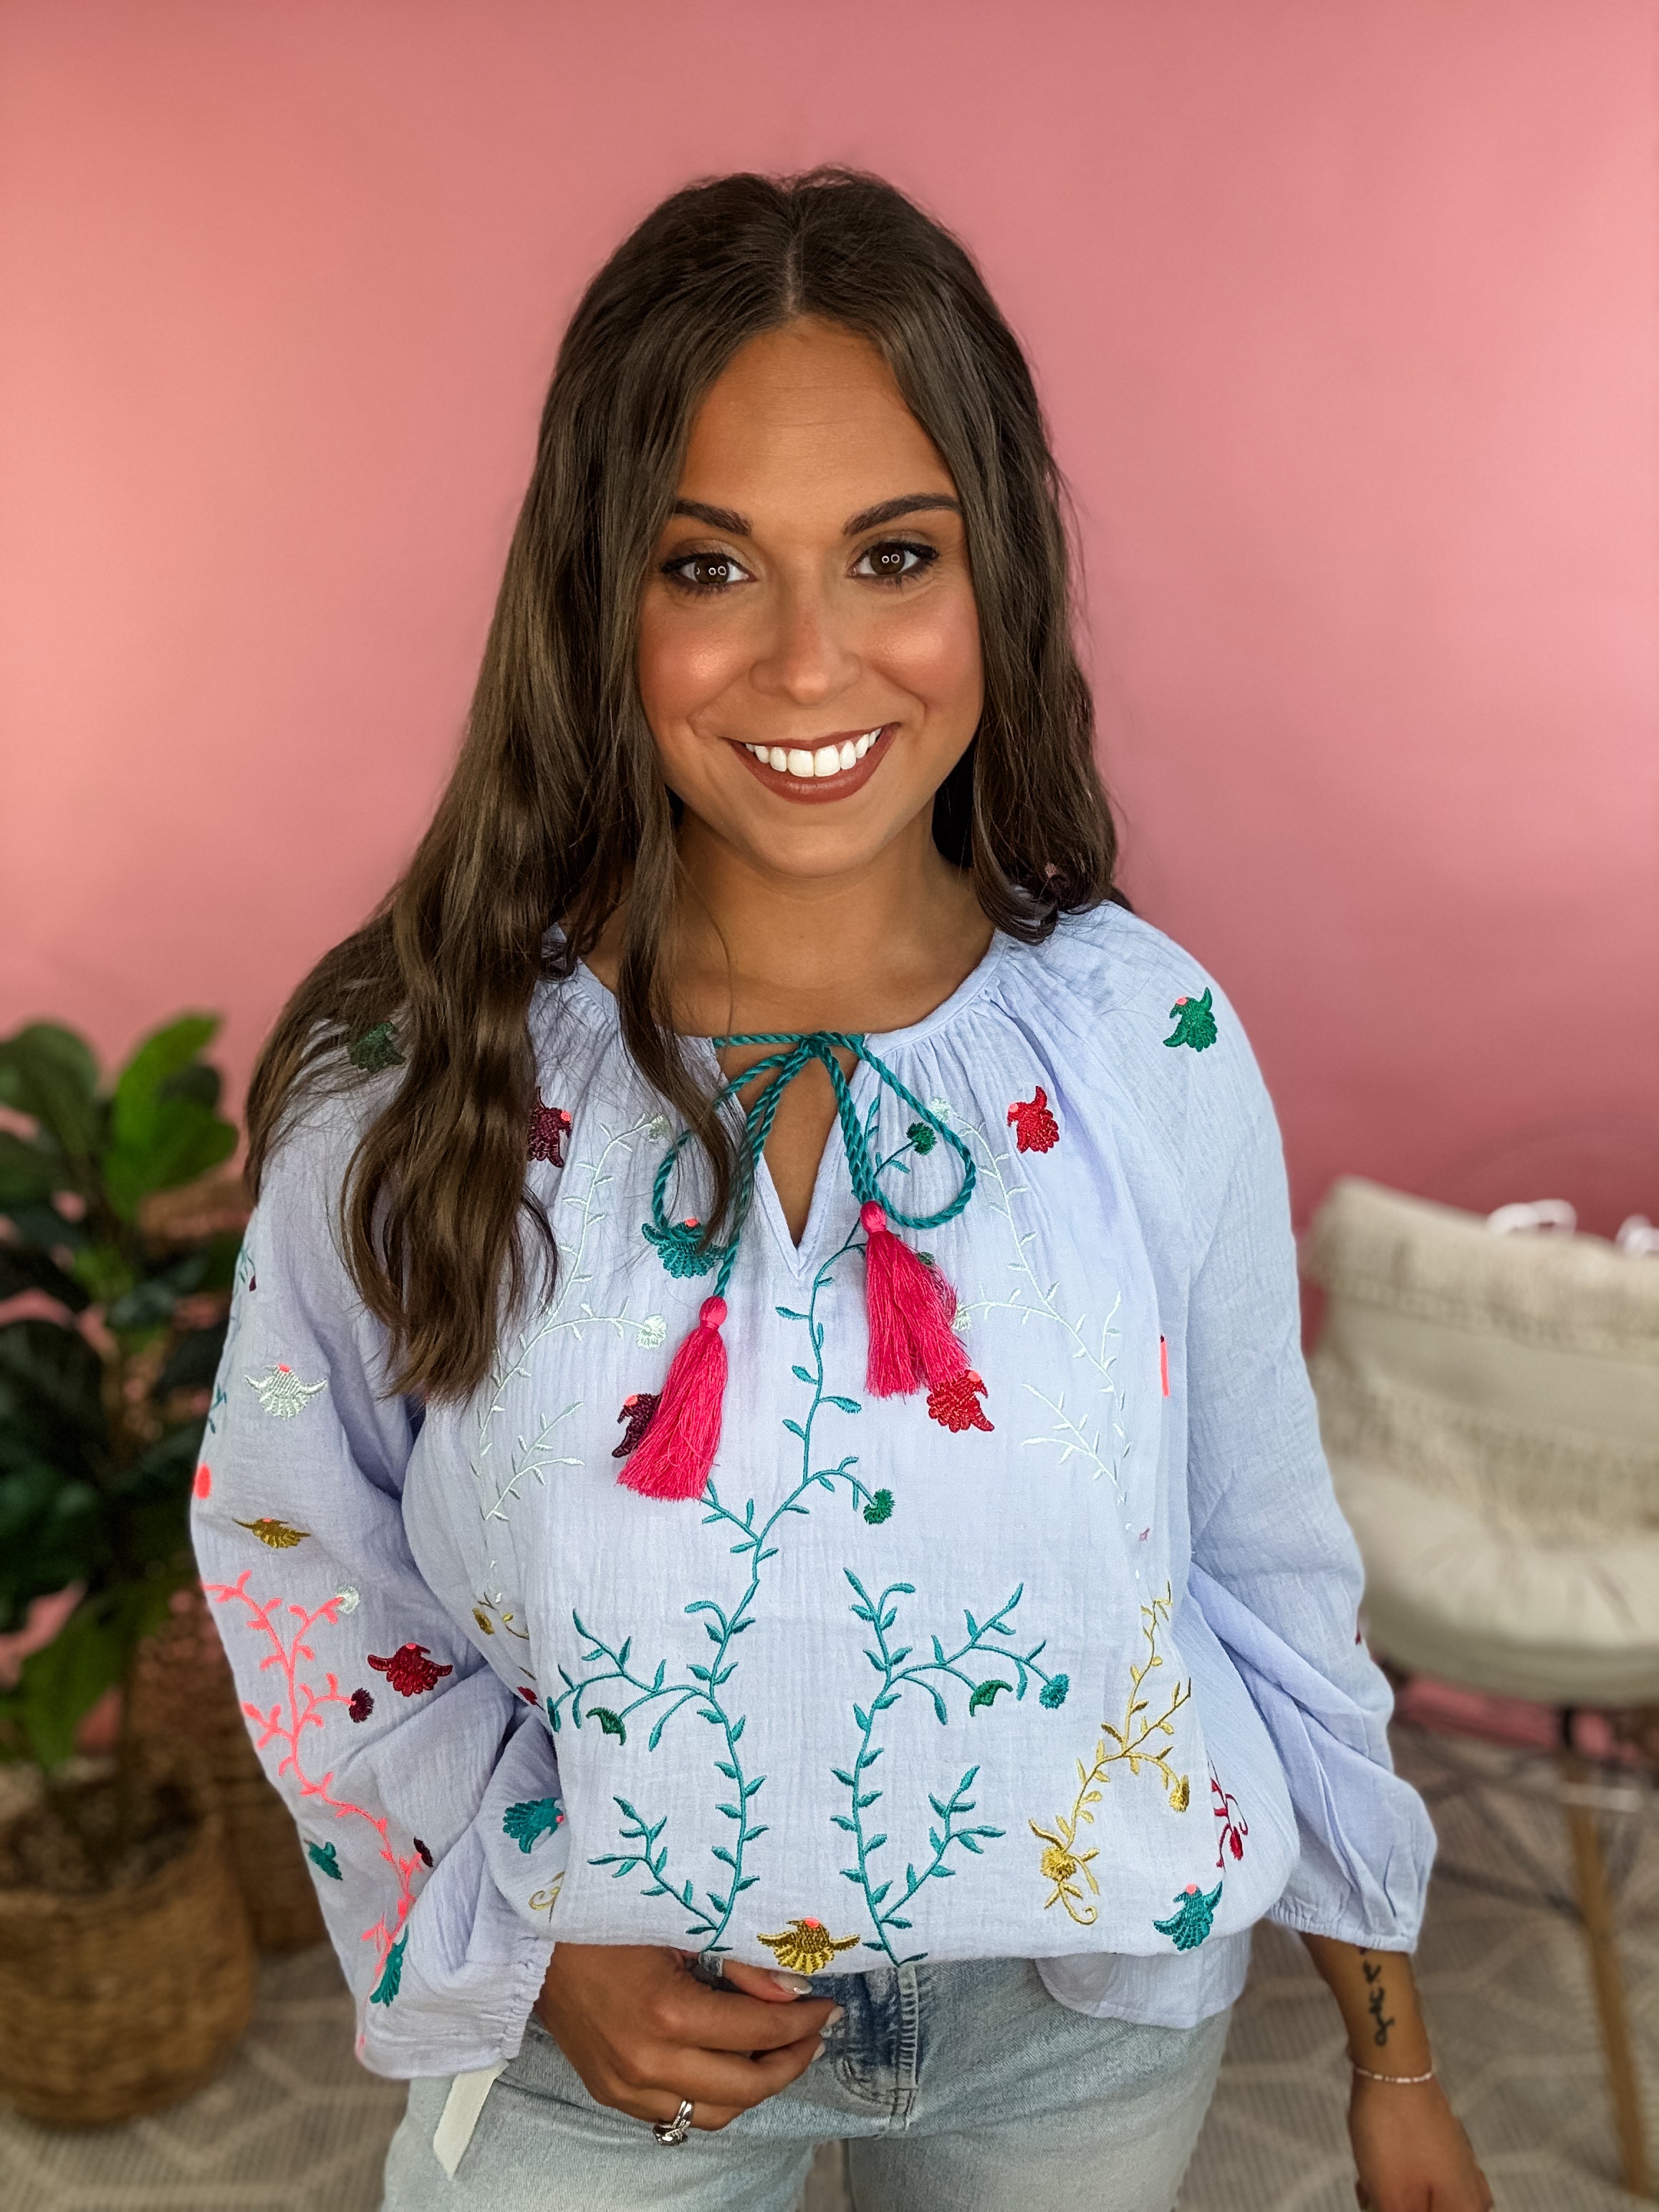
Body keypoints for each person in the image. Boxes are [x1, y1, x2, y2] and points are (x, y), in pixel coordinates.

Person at [194, 168, 1493, 2212]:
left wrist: (1392, 2049)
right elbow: (300, 1556)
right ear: (596, 593)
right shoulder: (417, 1076)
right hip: (593, 2041)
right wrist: (530, 1929)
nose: (810, 665)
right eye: (708, 567)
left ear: (998, 580)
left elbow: (1261, 1572)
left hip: (1074, 2036)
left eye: (893, 556)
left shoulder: (1146, 1046)